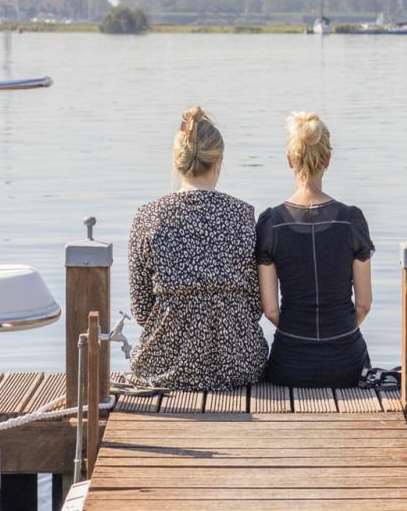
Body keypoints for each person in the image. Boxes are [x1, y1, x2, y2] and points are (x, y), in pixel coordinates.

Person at [124, 107, 268, 390]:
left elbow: (141, 310)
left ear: (177, 161)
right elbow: (254, 305)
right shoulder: (242, 215)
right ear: (219, 160)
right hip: (238, 364)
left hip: (163, 365)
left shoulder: (147, 217)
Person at [256, 112, 374, 388]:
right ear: (327, 160)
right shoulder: (352, 220)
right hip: (348, 365)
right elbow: (364, 305)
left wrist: (300, 335)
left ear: (289, 160)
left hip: (289, 365)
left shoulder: (271, 223)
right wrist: (336, 335)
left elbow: (270, 310)